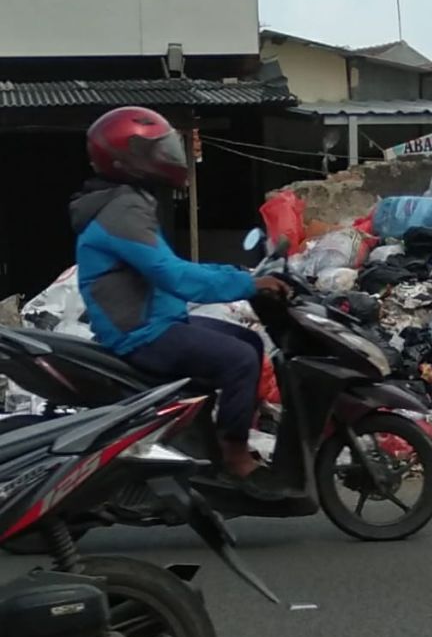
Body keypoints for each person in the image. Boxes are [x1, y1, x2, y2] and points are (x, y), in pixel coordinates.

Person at [72, 106, 292, 498]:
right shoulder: (120, 212)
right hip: (141, 333)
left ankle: (202, 442)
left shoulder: (126, 201)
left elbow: (168, 266)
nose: (169, 159)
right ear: (129, 159)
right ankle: (235, 456)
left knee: (249, 343)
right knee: (239, 360)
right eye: (157, 151)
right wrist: (246, 283)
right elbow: (174, 277)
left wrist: (236, 273)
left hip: (158, 321)